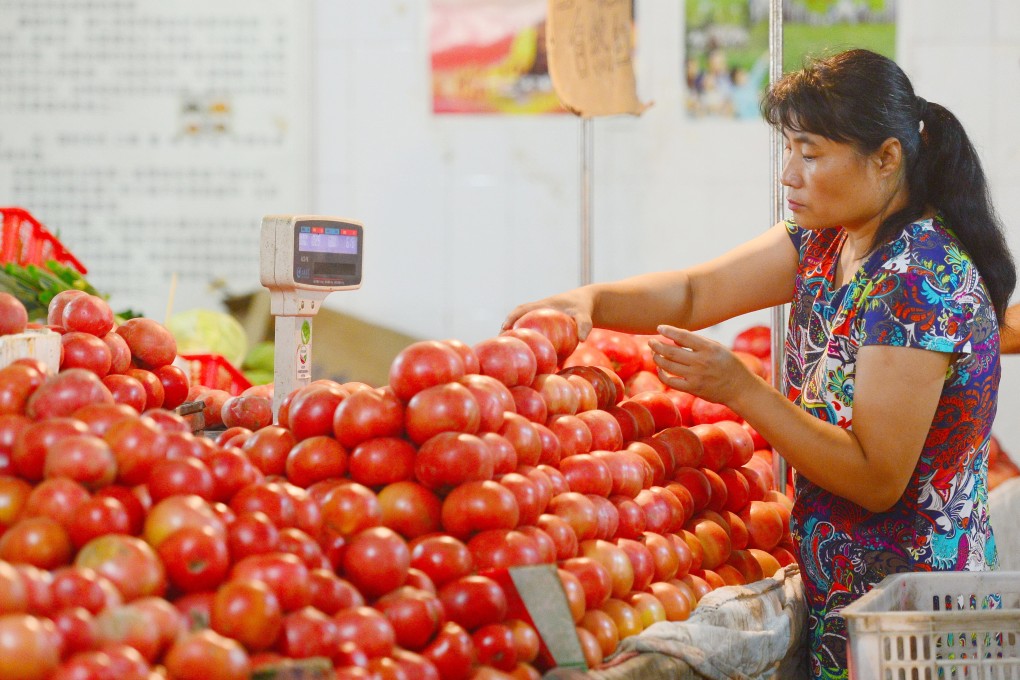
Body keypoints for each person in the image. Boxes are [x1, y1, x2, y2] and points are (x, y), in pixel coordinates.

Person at [503, 49, 1016, 678]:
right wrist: (591, 299)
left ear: (886, 158)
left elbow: (876, 476)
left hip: (918, 620)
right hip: (852, 597)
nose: (789, 175)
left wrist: (742, 390)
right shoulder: (827, 240)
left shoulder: (918, 280)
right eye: (789, 149)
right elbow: (696, 293)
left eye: (810, 152)